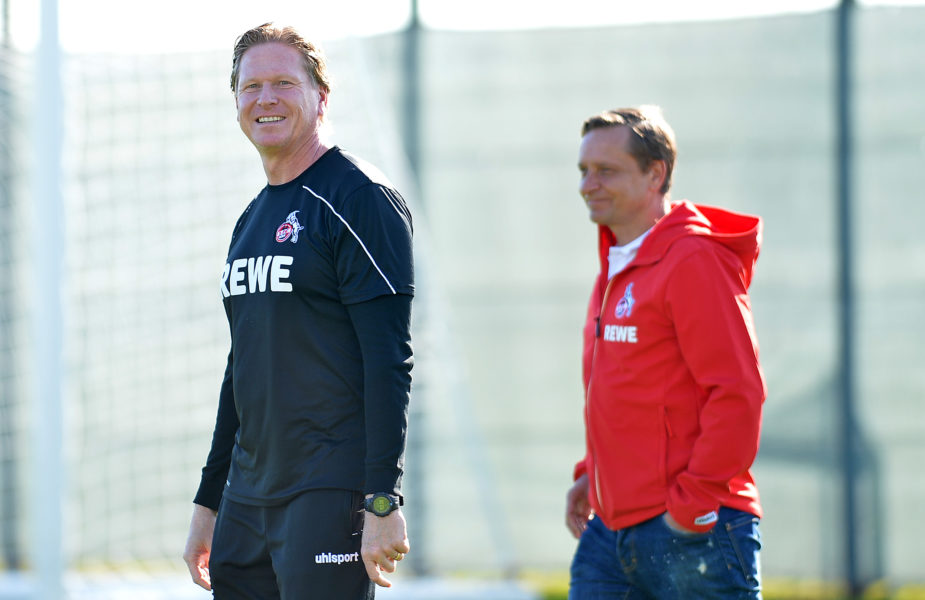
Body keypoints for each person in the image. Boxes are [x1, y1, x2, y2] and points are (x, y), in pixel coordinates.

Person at [182, 23, 414, 599]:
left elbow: (389, 359)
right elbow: (243, 368)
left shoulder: (359, 198)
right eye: (251, 85)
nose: (266, 99)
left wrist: (382, 500)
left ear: (321, 96)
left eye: (284, 82)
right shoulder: (251, 218)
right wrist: (210, 501)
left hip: (328, 493)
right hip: (248, 498)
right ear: (235, 99)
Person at [565, 106, 766, 599]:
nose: (588, 184)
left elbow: (737, 392)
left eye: (605, 171)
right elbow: (630, 388)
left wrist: (691, 504)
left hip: (693, 529)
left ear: (656, 174)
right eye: (584, 171)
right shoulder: (616, 261)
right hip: (610, 531)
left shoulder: (694, 259)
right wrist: (594, 474)